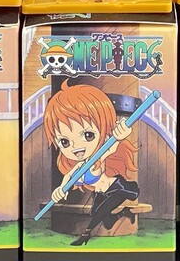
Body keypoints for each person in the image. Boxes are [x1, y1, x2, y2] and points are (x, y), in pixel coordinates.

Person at [44, 82, 138, 246]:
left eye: (88, 135)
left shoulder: (97, 158)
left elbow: (111, 147)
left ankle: (85, 235)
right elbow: (67, 177)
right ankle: (124, 213)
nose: (76, 147)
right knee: (103, 217)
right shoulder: (79, 168)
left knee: (99, 212)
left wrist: (119, 136)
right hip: (101, 193)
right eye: (64, 142)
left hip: (118, 187)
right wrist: (59, 190)